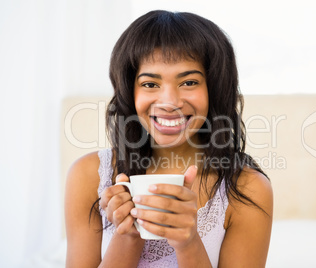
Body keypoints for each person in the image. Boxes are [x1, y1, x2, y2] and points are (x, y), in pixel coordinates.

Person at [65, 10, 273, 268]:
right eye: (150, 84)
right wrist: (128, 236)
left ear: (215, 89)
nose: (170, 103)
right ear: (130, 92)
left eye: (189, 82)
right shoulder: (89, 175)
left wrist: (188, 242)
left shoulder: (247, 188)